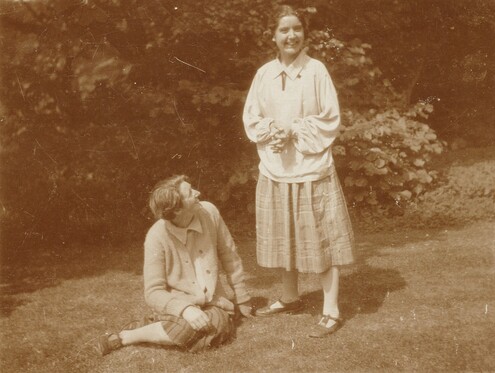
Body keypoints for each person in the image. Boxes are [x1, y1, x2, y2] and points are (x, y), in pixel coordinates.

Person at [242, 5, 355, 338]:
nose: (291, 35)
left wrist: (293, 129)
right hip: (277, 168)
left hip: (310, 168)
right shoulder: (263, 74)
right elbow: (252, 117)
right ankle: (290, 297)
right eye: (284, 30)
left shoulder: (316, 71)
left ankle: (331, 310)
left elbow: (330, 118)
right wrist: (271, 130)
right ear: (273, 37)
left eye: (296, 29)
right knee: (285, 236)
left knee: (322, 238)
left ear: (304, 34)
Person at [97, 175, 253, 355]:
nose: (198, 193)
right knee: (200, 328)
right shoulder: (156, 237)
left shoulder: (209, 212)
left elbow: (229, 255)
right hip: (178, 302)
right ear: (176, 210)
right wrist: (185, 309)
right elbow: (153, 292)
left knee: (218, 323)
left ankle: (141, 330)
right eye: (190, 193)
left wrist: (242, 298)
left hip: (213, 302)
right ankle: (127, 337)